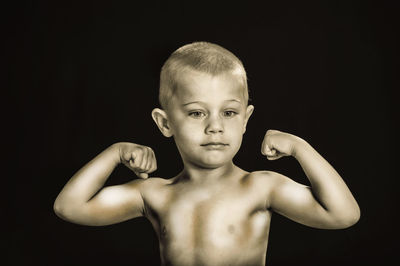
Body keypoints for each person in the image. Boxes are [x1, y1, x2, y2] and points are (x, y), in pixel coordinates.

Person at [54, 42, 360, 266]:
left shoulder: (260, 187)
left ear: (245, 120)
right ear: (165, 123)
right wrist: (115, 153)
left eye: (229, 112)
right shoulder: (156, 194)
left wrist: (299, 147)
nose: (215, 126)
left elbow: (343, 214)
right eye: (197, 113)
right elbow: (69, 207)